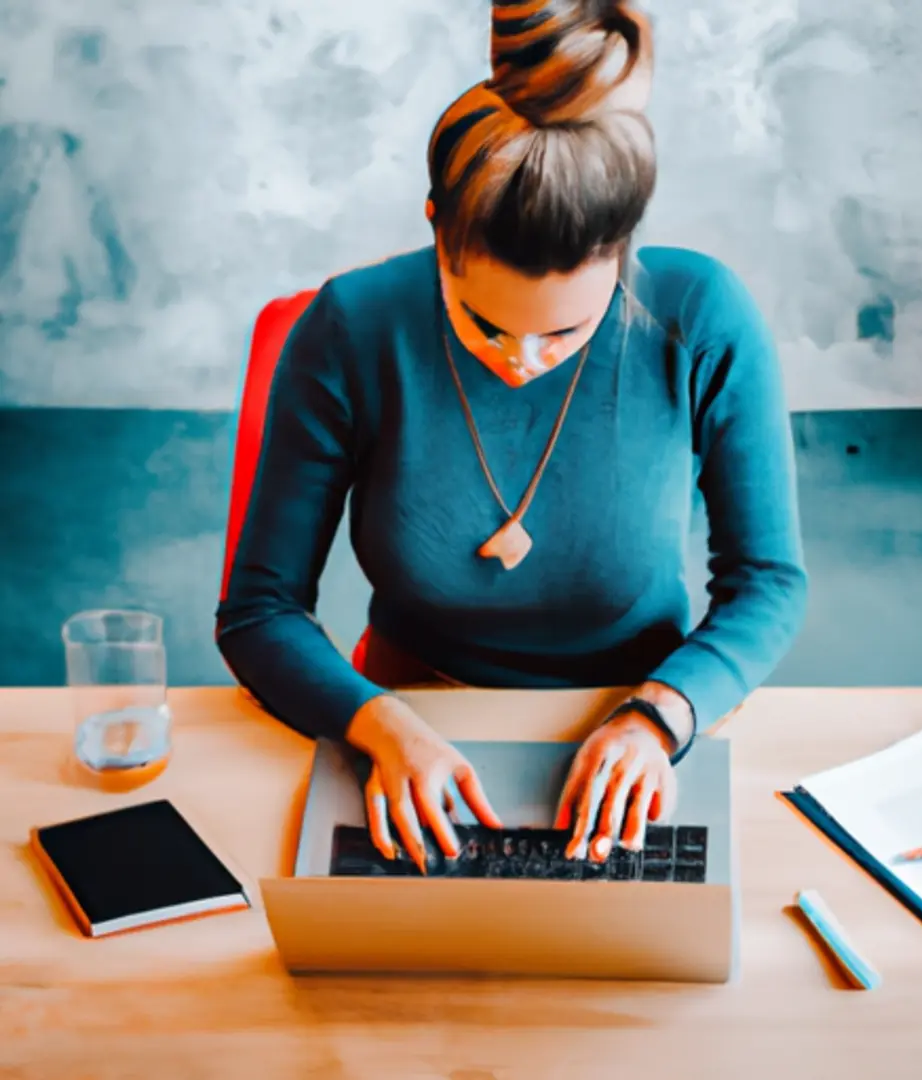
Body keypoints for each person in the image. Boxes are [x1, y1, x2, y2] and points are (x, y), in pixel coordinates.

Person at [216, 0, 807, 873]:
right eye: (485, 324)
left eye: (564, 335)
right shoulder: (350, 327)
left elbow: (766, 583)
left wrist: (661, 717)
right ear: (435, 225)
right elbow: (259, 610)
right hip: (412, 721)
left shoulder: (702, 316)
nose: (524, 360)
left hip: (634, 716)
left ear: (621, 252)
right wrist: (375, 722)